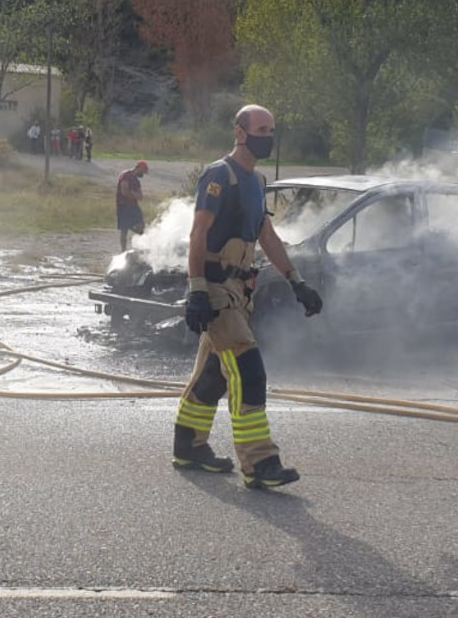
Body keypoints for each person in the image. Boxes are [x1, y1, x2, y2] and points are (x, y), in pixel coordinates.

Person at [172, 104, 323, 489]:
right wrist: (197, 290)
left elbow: (267, 236)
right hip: (216, 288)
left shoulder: (256, 182)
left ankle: (188, 446)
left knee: (212, 375)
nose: (267, 136)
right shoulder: (219, 176)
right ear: (240, 132)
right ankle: (260, 463)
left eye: (272, 129)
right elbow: (198, 235)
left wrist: (296, 281)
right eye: (260, 128)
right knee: (248, 372)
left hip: (240, 290)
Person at [116, 160, 149, 250]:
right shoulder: (126, 175)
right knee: (124, 229)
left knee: (141, 226)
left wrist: (133, 194)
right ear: (139, 168)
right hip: (123, 205)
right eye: (143, 171)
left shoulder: (136, 181)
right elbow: (124, 190)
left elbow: (140, 196)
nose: (143, 174)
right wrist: (133, 194)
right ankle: (123, 250)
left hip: (133, 205)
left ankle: (140, 247)